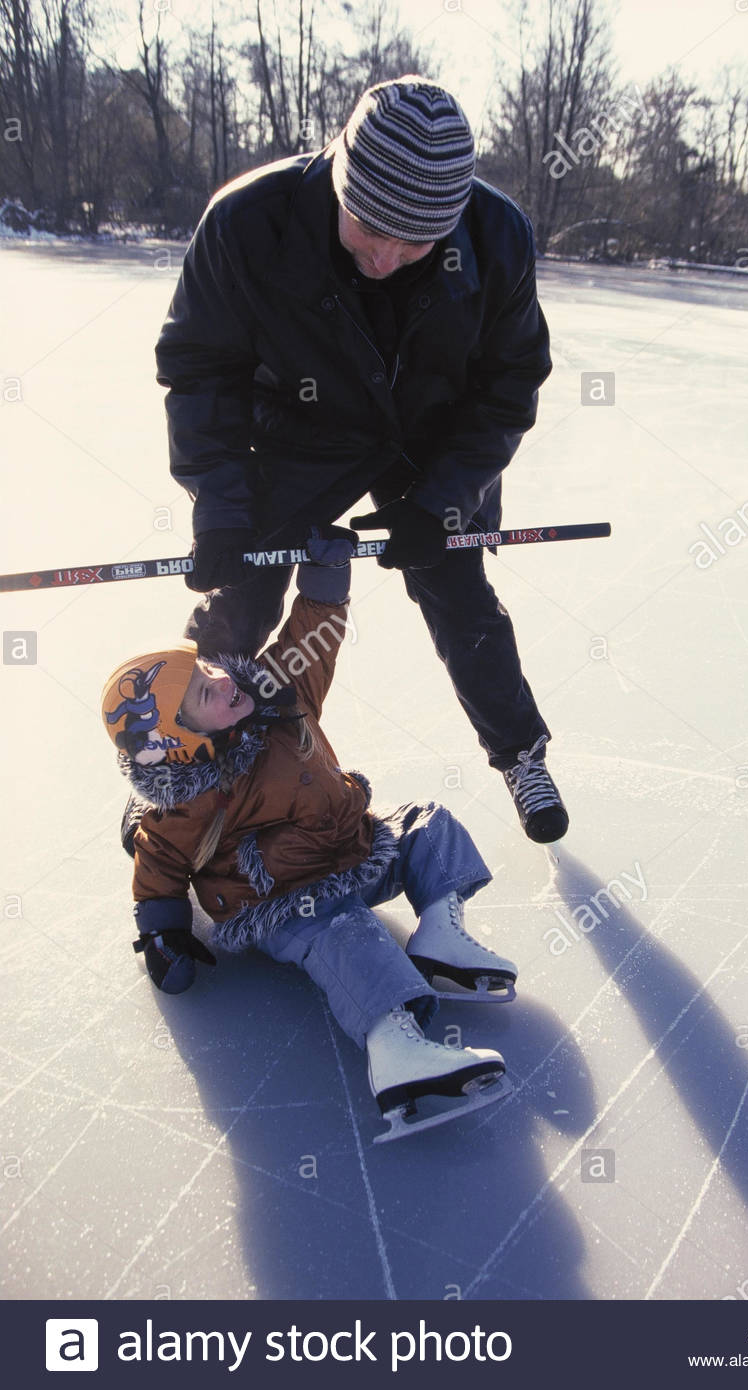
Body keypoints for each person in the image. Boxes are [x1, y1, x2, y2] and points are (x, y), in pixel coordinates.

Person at [155, 75, 568, 845]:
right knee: (241, 591)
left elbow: (510, 387)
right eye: (367, 226)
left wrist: (445, 502)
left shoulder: (497, 236)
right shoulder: (249, 222)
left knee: (459, 593)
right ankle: (180, 761)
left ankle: (520, 754)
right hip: (300, 432)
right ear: (341, 176)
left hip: (432, 442)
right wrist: (220, 508)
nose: (385, 256)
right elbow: (200, 370)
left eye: (415, 243)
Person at [101, 532, 515, 1142]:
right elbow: (158, 859)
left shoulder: (274, 691)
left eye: (206, 669)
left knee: (430, 824)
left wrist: (324, 575)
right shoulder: (189, 795)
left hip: (351, 845)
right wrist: (163, 932)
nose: (219, 679)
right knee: (349, 932)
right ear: (179, 745)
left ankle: (439, 940)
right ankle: (397, 1053)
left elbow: (311, 641)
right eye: (198, 696)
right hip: (278, 899)